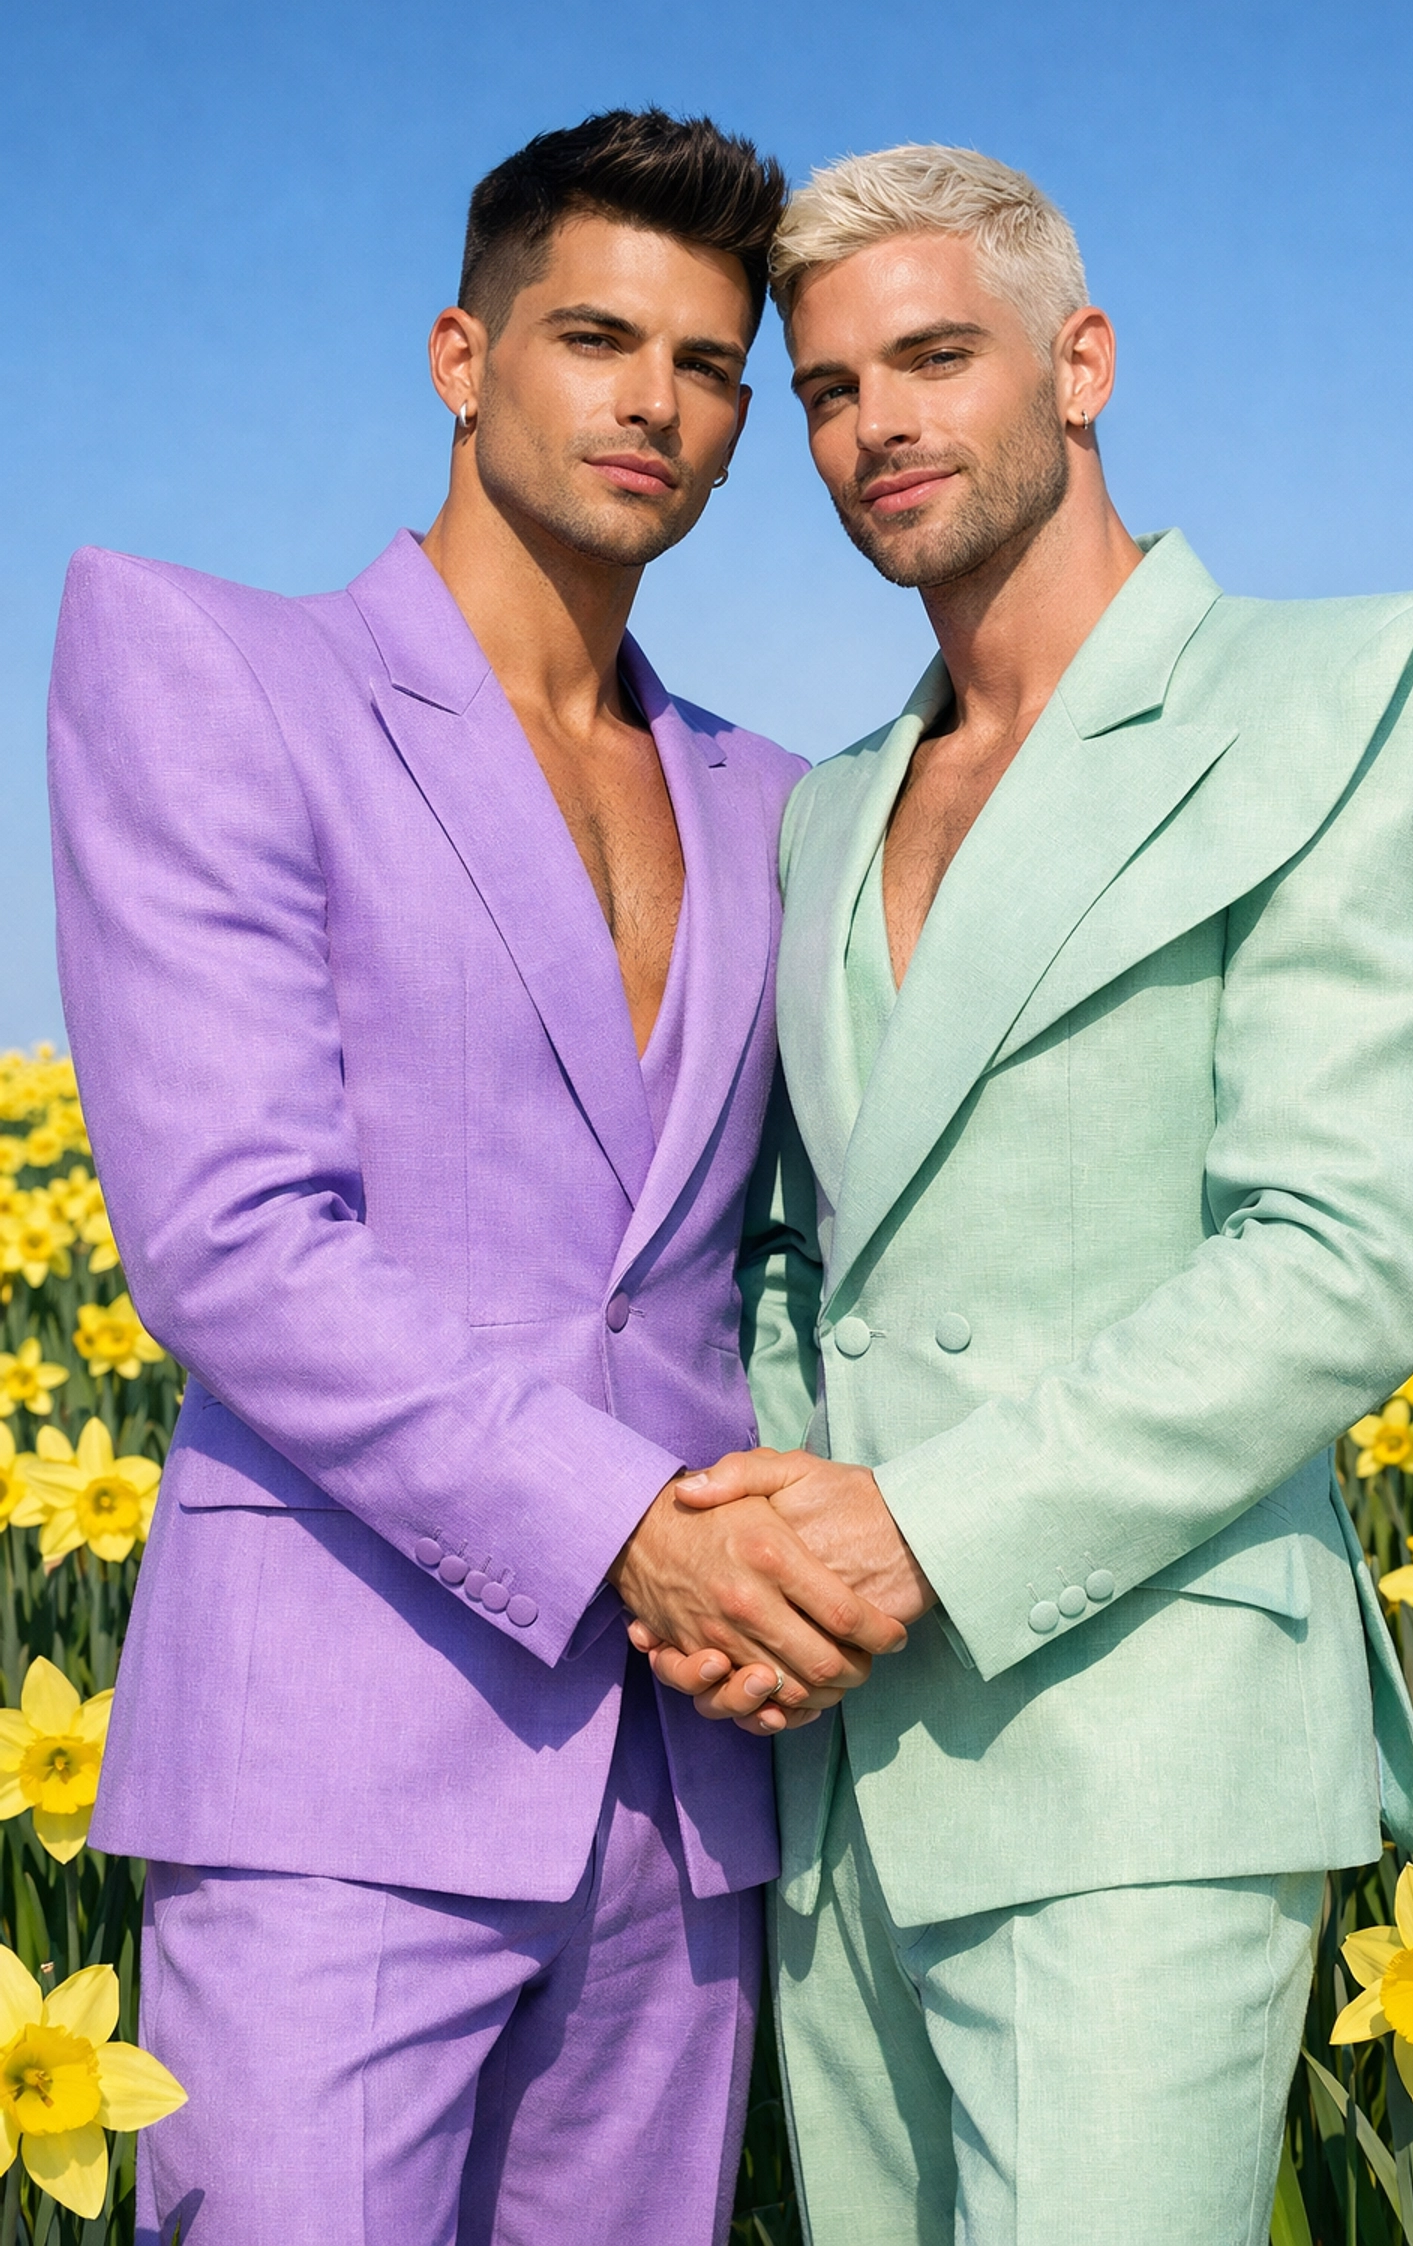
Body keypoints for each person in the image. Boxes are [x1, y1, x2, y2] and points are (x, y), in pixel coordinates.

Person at [635, 144, 1413, 2244]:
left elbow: (1333, 1263)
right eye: (834, 392)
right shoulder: (830, 805)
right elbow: (801, 1259)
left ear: (1084, 360)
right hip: (843, 1768)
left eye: (935, 358)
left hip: (1134, 1745)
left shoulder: (1350, 696)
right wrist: (773, 1556)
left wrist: (913, 1532)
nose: (880, 430)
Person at [47, 109, 905, 2246]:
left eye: (713, 367)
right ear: (461, 351)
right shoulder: (204, 667)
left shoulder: (778, 802)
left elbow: (781, 1264)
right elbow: (231, 1244)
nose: (657, 404)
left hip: (686, 1788)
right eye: (597, 336)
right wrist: (626, 1527)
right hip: (341, 1752)